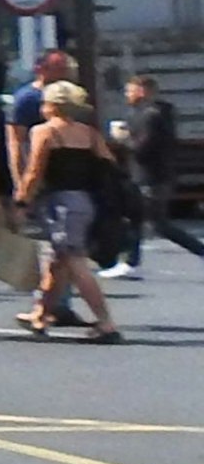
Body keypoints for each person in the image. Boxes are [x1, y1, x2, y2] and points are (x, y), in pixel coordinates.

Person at [13, 80, 120, 342]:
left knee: (74, 262)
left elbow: (35, 170)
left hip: (60, 203)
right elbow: (110, 165)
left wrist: (22, 201)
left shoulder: (45, 132)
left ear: (52, 106)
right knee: (57, 263)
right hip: (86, 201)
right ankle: (41, 314)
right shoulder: (90, 133)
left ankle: (106, 322)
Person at [112, 73, 204, 266]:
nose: (127, 94)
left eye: (130, 90)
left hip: (151, 177)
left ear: (143, 91)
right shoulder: (161, 112)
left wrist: (123, 138)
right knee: (134, 218)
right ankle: (129, 262)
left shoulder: (150, 116)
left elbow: (142, 148)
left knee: (157, 224)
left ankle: (200, 250)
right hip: (154, 175)